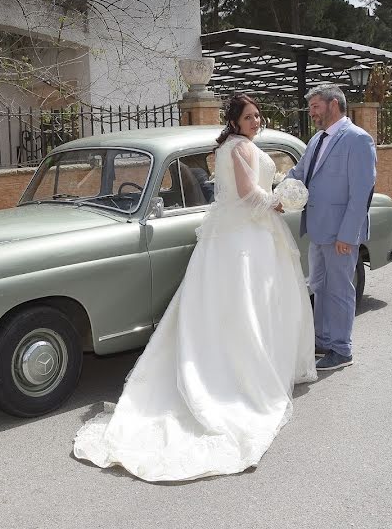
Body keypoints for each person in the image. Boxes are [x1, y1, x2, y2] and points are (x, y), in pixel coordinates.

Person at [72, 94, 317, 482]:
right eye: (250, 117)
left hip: (232, 235)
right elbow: (249, 193)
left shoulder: (229, 147)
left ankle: (248, 363)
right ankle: (245, 375)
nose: (256, 121)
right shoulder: (239, 148)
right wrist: (278, 202)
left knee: (235, 306)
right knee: (248, 306)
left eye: (258, 116)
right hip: (246, 236)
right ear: (234, 121)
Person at [286, 84, 377, 371]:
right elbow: (298, 174)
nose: (311, 112)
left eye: (315, 106)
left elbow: (361, 193)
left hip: (340, 234)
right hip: (316, 230)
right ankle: (324, 340)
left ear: (333, 104)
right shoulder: (316, 140)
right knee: (320, 287)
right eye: (311, 107)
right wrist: (273, 193)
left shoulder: (358, 139)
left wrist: (347, 235)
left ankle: (342, 349)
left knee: (340, 290)